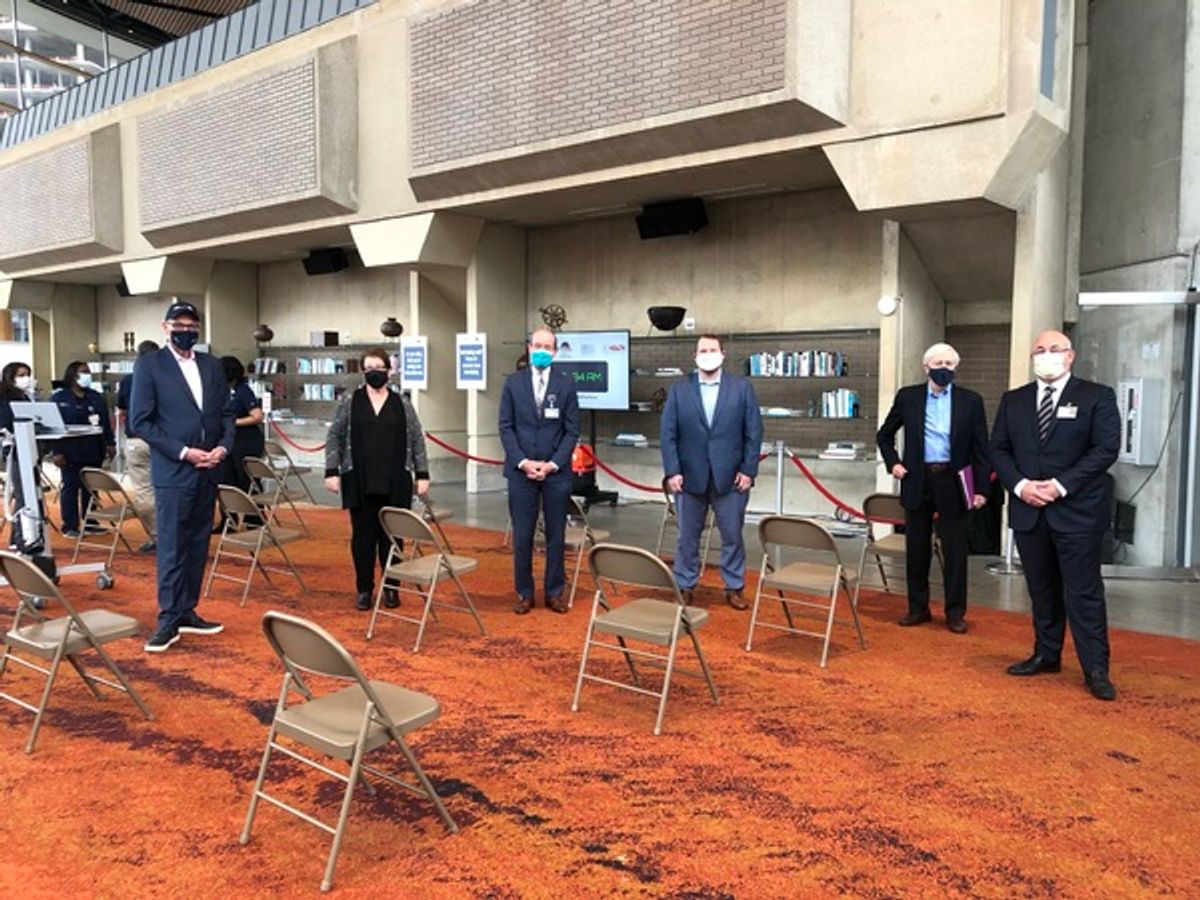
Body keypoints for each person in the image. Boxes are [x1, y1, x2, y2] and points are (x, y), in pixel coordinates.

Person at [990, 329, 1120, 701]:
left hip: (1076, 511)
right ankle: (1047, 654)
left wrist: (1060, 485)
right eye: (1040, 350)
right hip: (1029, 510)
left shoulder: (1096, 396)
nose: (1047, 355)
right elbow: (998, 449)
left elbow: (1105, 449)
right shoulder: (1013, 400)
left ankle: (1095, 668)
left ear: (1070, 356)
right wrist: (1020, 486)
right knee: (1042, 589)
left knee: (1083, 592)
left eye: (1055, 349)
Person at [130, 301, 234, 653]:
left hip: (209, 469)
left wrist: (223, 447)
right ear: (165, 327)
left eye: (192, 325)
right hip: (175, 469)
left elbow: (226, 414)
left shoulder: (212, 365)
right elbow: (140, 422)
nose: (186, 329)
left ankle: (188, 609)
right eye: (179, 324)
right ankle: (168, 617)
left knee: (197, 544)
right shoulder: (150, 365)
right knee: (172, 546)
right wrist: (183, 452)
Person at [876, 342, 990, 633]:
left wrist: (981, 490)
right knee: (917, 549)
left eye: (949, 365)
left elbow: (981, 449)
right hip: (918, 478)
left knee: (954, 551)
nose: (944, 370)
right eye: (938, 365)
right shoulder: (908, 397)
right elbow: (884, 435)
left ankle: (955, 613)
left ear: (956, 368)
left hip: (954, 480)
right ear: (926, 367)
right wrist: (894, 464)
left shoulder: (971, 401)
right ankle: (918, 608)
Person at [660, 334, 763, 609]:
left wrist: (748, 471)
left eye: (713, 349)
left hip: (731, 479)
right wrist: (673, 472)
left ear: (723, 354)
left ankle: (734, 586)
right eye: (702, 350)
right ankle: (685, 584)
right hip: (688, 478)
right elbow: (668, 435)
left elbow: (754, 433)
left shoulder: (742, 388)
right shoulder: (679, 391)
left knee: (732, 535)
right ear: (695, 356)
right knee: (687, 538)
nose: (708, 354)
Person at [325, 348, 431, 611]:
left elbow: (417, 438)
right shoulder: (350, 401)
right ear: (363, 371)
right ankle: (364, 588)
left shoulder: (403, 403)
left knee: (393, 538)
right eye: (369, 367)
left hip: (396, 479)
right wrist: (331, 471)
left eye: (379, 367)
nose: (374, 372)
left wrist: (423, 474)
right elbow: (335, 436)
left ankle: (392, 588)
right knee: (363, 538)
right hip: (359, 479)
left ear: (388, 370)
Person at [498, 327, 580, 614]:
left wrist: (552, 464)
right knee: (522, 535)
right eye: (538, 346)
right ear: (529, 348)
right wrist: (523, 462)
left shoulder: (566, 385)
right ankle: (524, 592)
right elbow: (505, 427)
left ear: (555, 352)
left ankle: (554, 592)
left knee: (556, 535)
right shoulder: (513, 384)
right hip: (521, 473)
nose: (543, 351)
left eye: (548, 347)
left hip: (556, 473)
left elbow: (572, 431)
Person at [50, 361, 115, 537]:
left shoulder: (95, 397)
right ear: (72, 375)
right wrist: (56, 452)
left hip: (93, 449)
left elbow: (105, 423)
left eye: (88, 372)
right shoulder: (59, 398)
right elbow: (52, 427)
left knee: (91, 487)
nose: (87, 375)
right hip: (69, 451)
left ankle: (90, 521)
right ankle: (70, 525)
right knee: (71, 487)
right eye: (82, 372)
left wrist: (110, 443)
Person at [116, 340, 159, 551]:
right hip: (164, 440)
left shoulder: (129, 381)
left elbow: (121, 409)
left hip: (136, 440)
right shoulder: (168, 379)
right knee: (167, 488)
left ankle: (157, 536)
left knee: (144, 490)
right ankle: (174, 535)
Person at [218, 356, 265, 494]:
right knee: (226, 478)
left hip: (246, 440)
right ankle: (228, 514)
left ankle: (253, 514)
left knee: (245, 478)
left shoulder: (243, 391)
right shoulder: (219, 391)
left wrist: (233, 422)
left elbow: (257, 416)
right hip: (227, 440)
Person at [0, 361, 34, 434]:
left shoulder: (24, 396)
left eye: (28, 375)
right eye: (21, 375)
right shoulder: (4, 397)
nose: (26, 378)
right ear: (10, 377)